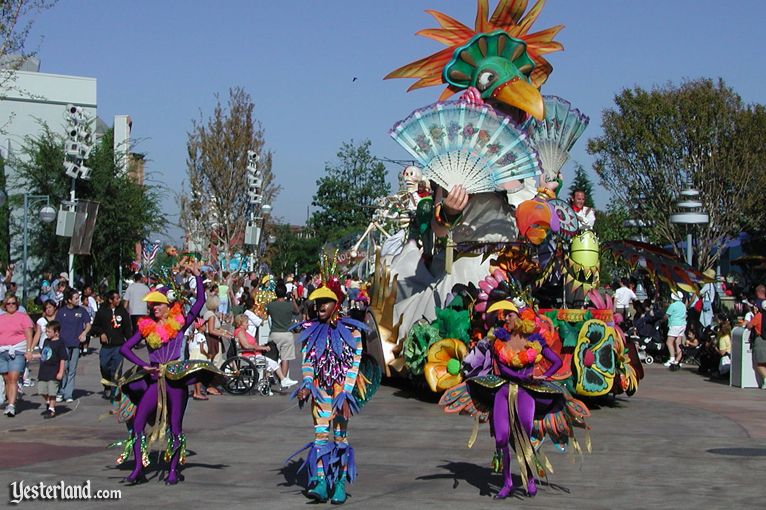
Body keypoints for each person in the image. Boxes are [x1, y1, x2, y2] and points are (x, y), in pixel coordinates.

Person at [117, 259, 223, 485]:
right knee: (137, 424)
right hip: (155, 381)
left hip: (175, 382)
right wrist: (143, 364)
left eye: (158, 304)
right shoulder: (146, 327)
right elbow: (124, 348)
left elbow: (200, 302)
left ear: (169, 305)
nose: (154, 307)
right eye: (152, 304)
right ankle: (138, 468)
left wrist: (197, 276)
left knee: (175, 427)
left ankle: (173, 470)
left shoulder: (179, 323)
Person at [290, 276, 368, 504]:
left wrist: (346, 393)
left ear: (336, 304)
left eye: (325, 301)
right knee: (321, 436)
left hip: (341, 392)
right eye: (317, 302)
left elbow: (355, 360)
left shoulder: (352, 331)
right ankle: (322, 481)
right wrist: (306, 384)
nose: (320, 306)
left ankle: (340, 483)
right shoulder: (309, 331)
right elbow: (307, 362)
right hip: (321, 391)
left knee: (341, 437)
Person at [233, 314, 295, 388]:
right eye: (246, 322)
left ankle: (277, 380)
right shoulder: (240, 332)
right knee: (273, 362)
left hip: (253, 354)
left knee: (274, 359)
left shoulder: (242, 331)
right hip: (249, 356)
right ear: (241, 324)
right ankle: (282, 380)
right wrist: (261, 348)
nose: (248, 324)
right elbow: (246, 346)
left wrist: (261, 346)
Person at [93, 290, 132, 401]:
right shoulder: (102, 311)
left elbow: (127, 327)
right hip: (106, 346)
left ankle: (115, 392)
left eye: (119, 298)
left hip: (119, 345)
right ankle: (107, 385)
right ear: (110, 300)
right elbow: (95, 326)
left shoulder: (122, 311)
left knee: (117, 369)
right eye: (117, 298)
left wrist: (130, 341)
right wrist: (101, 333)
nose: (119, 300)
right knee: (104, 366)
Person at [0, 294, 34, 417]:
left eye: (13, 303)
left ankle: (11, 406)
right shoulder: (1, 318)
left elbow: (29, 334)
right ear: (5, 305)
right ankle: (10, 401)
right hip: (2, 351)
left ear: (17, 304)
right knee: (6, 379)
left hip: (17, 351)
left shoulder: (23, 317)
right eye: (8, 303)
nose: (11, 306)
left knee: (13, 378)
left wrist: (29, 350)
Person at [55, 288, 91, 402]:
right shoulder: (61, 312)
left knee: (72, 369)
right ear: (69, 300)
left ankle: (68, 394)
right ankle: (61, 391)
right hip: (63, 344)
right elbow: (56, 326)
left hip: (75, 344)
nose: (78, 300)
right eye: (75, 298)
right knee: (63, 368)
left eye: (78, 298)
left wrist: (84, 333)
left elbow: (88, 324)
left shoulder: (82, 311)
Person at [266, 283, 300, 380]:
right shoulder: (289, 305)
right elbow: (297, 312)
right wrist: (293, 300)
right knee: (285, 358)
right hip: (287, 333)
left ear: (275, 293)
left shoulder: (271, 305)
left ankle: (269, 377)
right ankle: (283, 379)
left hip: (274, 333)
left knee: (272, 357)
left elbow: (267, 314)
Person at [35, 320, 67, 419]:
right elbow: (44, 354)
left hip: (54, 370)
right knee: (41, 389)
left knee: (53, 390)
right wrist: (34, 356)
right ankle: (48, 401)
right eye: (46, 331)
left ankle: (51, 409)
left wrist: (61, 372)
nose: (46, 333)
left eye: (49, 332)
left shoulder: (60, 343)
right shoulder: (46, 341)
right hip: (44, 369)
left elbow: (62, 358)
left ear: (56, 332)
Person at [745, 289, 766, 389]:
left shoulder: (759, 316)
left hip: (760, 340)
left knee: (759, 363)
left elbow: (749, 325)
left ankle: (765, 380)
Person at [664, 291, 687, 369]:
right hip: (682, 325)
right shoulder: (683, 305)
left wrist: (662, 320)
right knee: (678, 342)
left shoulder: (673, 305)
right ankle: (678, 360)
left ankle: (672, 358)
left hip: (675, 325)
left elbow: (667, 315)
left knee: (669, 342)